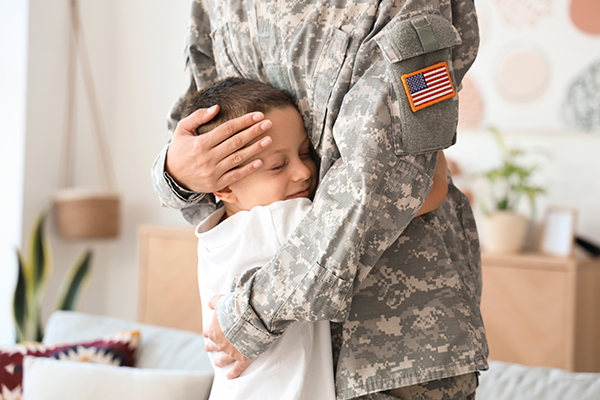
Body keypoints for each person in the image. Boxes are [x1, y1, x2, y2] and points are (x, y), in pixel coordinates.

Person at [152, 1, 489, 399]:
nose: (301, 172)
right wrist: (174, 174)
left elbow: (390, 179)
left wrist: (255, 313)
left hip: (391, 349)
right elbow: (201, 127)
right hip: (266, 341)